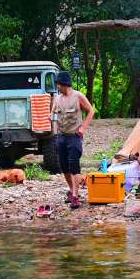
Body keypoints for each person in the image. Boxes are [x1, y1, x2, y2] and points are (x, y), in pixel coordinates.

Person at [51, 71, 94, 209]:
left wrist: (83, 128)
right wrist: (54, 131)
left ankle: (75, 196)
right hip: (61, 136)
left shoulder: (78, 96)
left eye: (58, 84)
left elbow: (91, 111)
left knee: (73, 165)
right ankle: (71, 190)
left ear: (64, 84)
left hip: (74, 137)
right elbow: (52, 115)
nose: (57, 87)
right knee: (64, 166)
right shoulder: (57, 98)